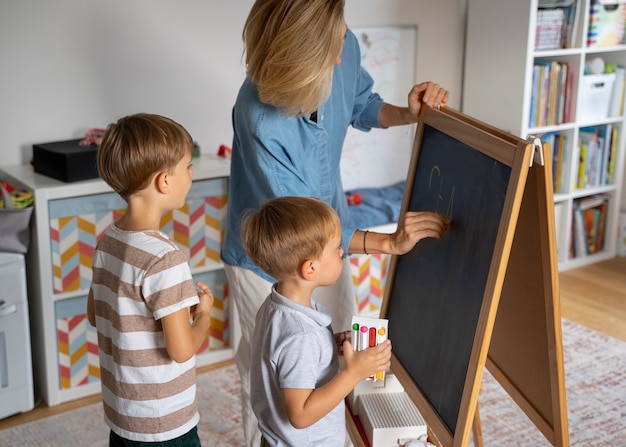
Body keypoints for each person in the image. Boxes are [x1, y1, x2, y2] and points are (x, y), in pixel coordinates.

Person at [220, 1, 451, 445]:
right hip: (272, 255)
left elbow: (363, 105)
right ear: (299, 60)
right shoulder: (259, 117)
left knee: (334, 352)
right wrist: (386, 243)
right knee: (269, 371)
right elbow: (302, 232)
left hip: (329, 242)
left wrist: (409, 113)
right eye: (330, 47)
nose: (342, 54)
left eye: (341, 34)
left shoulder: (339, 41)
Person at [87, 113, 214, 446]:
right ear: (164, 181)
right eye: (187, 166)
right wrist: (203, 316)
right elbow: (182, 349)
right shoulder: (166, 258)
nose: (192, 173)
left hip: (123, 413)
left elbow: (94, 314)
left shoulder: (107, 240)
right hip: (164, 422)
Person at [241, 196, 393, 446]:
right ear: (310, 269)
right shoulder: (302, 336)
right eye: (336, 248)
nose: (342, 252)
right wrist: (354, 373)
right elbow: (300, 415)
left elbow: (283, 359)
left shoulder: (275, 305)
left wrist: (327, 346)